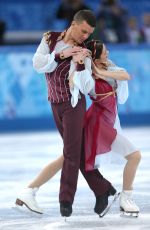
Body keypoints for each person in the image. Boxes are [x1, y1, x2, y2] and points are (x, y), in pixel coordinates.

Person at [15, 10, 116, 217]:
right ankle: (104, 189)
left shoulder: (84, 50)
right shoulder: (50, 38)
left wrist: (80, 64)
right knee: (76, 151)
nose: (85, 36)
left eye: (89, 33)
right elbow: (38, 64)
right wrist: (60, 55)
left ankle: (66, 200)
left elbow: (87, 86)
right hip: (54, 104)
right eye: (83, 31)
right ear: (73, 24)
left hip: (73, 104)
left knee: (70, 153)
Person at [84, 40, 141, 214]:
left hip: (105, 121)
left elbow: (125, 75)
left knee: (70, 160)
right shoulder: (90, 76)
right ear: (97, 55)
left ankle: (119, 195)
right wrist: (96, 70)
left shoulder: (107, 68)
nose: (108, 52)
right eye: (104, 51)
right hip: (99, 123)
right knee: (135, 156)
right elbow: (122, 76)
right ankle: (126, 198)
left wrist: (100, 69)